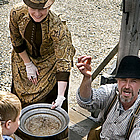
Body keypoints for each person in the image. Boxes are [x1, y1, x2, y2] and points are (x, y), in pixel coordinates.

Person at [9, 0, 75, 111]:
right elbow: (16, 40)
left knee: (46, 104)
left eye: (42, 9)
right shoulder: (17, 13)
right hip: (24, 56)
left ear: (49, 6)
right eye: (33, 8)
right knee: (19, 99)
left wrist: (60, 96)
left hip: (50, 63)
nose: (37, 13)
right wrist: (28, 64)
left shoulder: (57, 27)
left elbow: (63, 61)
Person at [76, 55, 140, 139]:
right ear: (117, 81)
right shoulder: (111, 91)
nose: (127, 86)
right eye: (123, 80)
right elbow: (85, 100)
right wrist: (86, 78)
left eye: (133, 81)